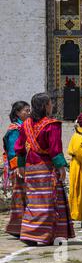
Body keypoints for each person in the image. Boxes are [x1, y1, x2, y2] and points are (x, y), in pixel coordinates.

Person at [14, 93, 74, 246]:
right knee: (49, 202)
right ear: (45, 106)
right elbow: (55, 149)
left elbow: (19, 147)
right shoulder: (51, 125)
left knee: (34, 202)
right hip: (47, 168)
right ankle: (47, 235)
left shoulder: (25, 125)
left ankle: (30, 233)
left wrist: (20, 166)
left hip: (31, 169)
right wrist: (61, 167)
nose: (51, 106)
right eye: (50, 103)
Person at [3, 101, 30, 238]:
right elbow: (14, 151)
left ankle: (24, 226)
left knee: (24, 197)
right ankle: (17, 227)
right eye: (26, 110)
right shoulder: (15, 129)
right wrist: (18, 167)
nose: (28, 112)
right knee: (20, 197)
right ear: (18, 113)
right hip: (18, 168)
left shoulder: (23, 127)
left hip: (24, 167)